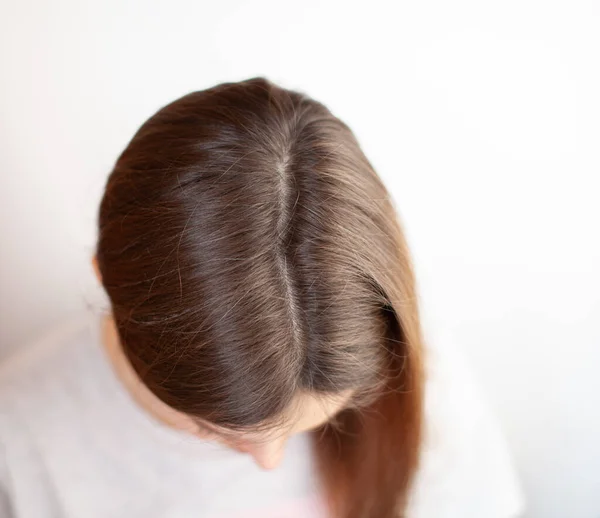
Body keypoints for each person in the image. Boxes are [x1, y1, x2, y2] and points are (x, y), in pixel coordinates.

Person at [0, 78, 524, 518]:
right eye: (213, 429)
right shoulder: (21, 444)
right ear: (105, 280)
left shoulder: (419, 378)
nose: (269, 461)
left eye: (320, 422)